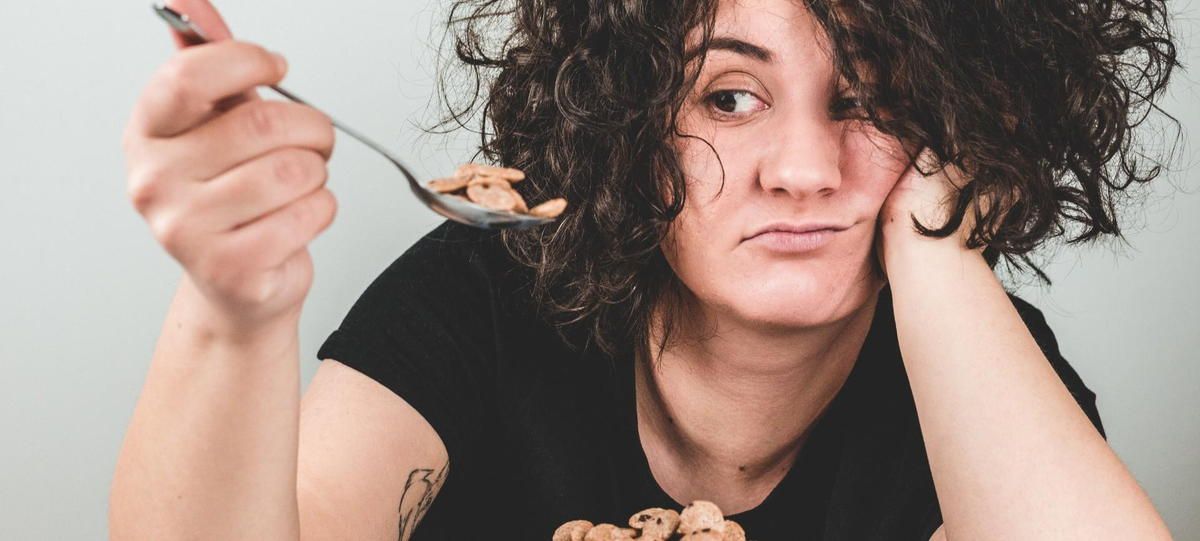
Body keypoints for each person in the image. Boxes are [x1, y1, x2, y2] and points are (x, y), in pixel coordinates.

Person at [109, 0, 1180, 539]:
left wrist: (944, 243)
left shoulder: (970, 364)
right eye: (728, 97)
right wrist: (230, 313)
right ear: (626, 122)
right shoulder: (486, 295)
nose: (807, 170)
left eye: (870, 98)